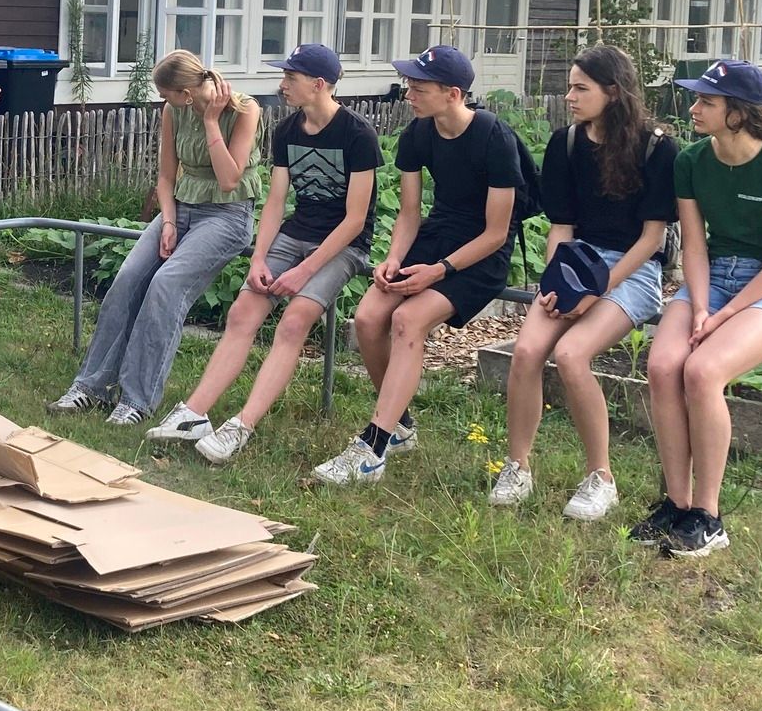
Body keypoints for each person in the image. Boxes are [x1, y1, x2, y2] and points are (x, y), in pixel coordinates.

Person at [143, 44, 380, 464]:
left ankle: (241, 426)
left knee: (293, 322)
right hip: (295, 234)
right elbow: (274, 202)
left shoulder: (357, 134)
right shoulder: (288, 130)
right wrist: (259, 259)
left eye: (290, 77)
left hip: (342, 246)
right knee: (242, 312)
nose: (282, 84)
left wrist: (303, 272)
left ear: (318, 84)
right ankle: (195, 414)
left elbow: (355, 221)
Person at [313, 44, 518, 488]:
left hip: (481, 250)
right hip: (437, 233)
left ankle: (373, 447)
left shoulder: (493, 138)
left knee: (407, 319)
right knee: (368, 317)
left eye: (419, 86)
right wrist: (394, 258)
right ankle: (400, 425)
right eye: (409, 83)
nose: (409, 93)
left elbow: (497, 232)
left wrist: (439, 270)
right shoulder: (417, 135)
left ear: (453, 94)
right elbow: (408, 213)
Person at [492, 45, 675, 520]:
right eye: (569, 86)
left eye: (580, 88)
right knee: (528, 351)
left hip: (634, 268)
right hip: (577, 259)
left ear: (613, 93)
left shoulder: (656, 147)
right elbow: (561, 226)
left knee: (571, 356)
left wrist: (598, 288)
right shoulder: (565, 143)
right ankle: (517, 466)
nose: (568, 96)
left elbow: (652, 238)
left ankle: (601, 477)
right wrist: (557, 284)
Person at [642, 58, 762, 559]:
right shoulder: (691, 161)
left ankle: (708, 517)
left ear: (737, 113)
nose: (694, 108)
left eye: (706, 102)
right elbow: (693, 246)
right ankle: (676, 504)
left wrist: (722, 316)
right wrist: (699, 305)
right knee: (661, 365)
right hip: (711, 278)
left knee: (702, 371)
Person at [46, 48, 261, 427]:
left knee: (165, 286)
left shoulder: (244, 111)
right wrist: (168, 223)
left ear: (187, 93)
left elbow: (230, 178)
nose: (164, 101)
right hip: (179, 207)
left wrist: (212, 122)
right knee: (127, 279)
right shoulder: (172, 111)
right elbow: (165, 177)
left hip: (226, 215)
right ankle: (91, 387)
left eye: (166, 95)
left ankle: (137, 399)